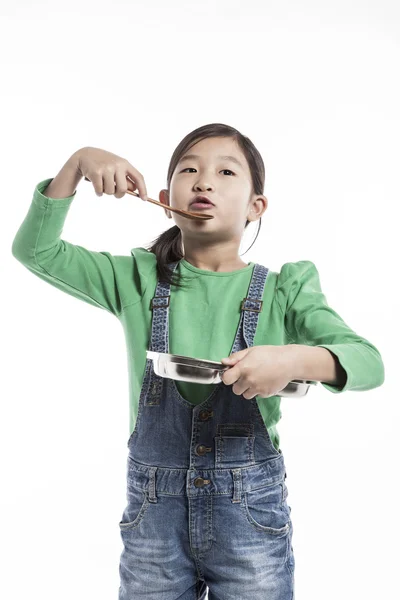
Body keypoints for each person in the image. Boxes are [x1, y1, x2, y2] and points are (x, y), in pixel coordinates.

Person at [11, 123, 385, 600]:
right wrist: (78, 162)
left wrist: (293, 358)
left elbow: (368, 363)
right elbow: (35, 250)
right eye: (190, 169)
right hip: (154, 524)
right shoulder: (137, 279)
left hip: (248, 518)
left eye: (226, 172)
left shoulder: (283, 290)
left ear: (256, 206)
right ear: (167, 197)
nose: (204, 181)